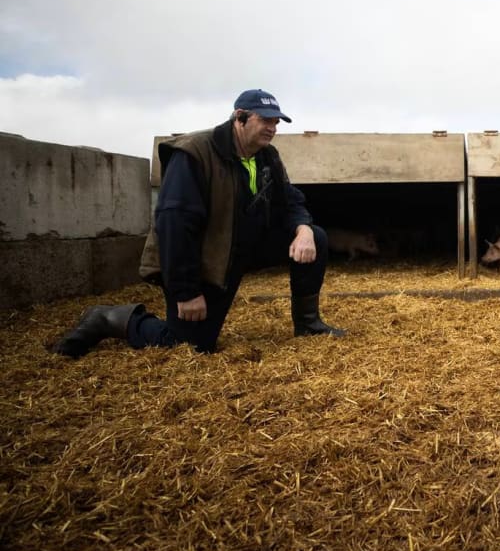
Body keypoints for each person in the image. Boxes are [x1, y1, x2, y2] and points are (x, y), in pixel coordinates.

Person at [52, 88, 345, 357]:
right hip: (208, 260)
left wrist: (303, 228)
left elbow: (290, 200)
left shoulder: (266, 156)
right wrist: (186, 291)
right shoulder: (195, 152)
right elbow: (174, 225)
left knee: (316, 237)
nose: (273, 127)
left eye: (277, 122)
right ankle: (109, 318)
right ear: (239, 119)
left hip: (243, 249)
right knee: (191, 345)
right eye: (265, 119)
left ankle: (308, 324)